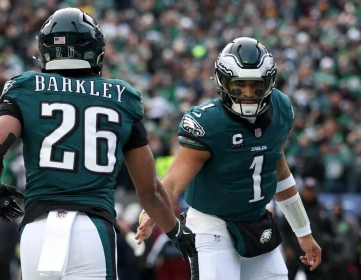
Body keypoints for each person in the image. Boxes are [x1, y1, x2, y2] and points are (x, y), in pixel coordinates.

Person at [0, 7, 195, 280]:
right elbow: (149, 192)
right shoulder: (121, 97)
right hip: (93, 229)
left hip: (37, 231)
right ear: (96, 50)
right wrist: (175, 231)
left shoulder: (28, 88)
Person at [136, 37, 322, 280]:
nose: (246, 94)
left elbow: (280, 174)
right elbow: (171, 184)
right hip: (212, 226)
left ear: (269, 83)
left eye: (255, 86)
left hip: (257, 223)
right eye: (238, 86)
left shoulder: (281, 109)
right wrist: (151, 212)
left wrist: (303, 232)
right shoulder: (208, 123)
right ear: (222, 82)